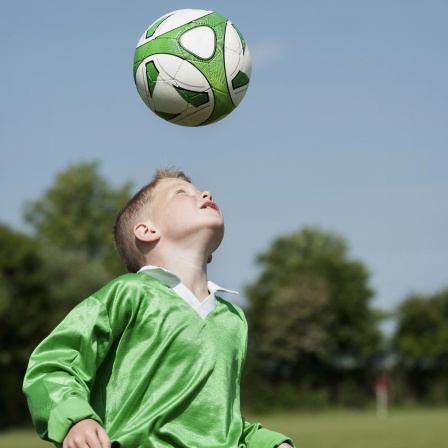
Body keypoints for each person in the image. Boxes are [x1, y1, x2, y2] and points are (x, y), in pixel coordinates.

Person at [23, 168, 295, 448]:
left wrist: (269, 443)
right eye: (182, 193)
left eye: (201, 191)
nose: (207, 193)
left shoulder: (234, 319)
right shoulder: (129, 293)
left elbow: (222, 422)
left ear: (212, 253)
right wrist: (75, 419)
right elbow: (52, 364)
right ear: (147, 230)